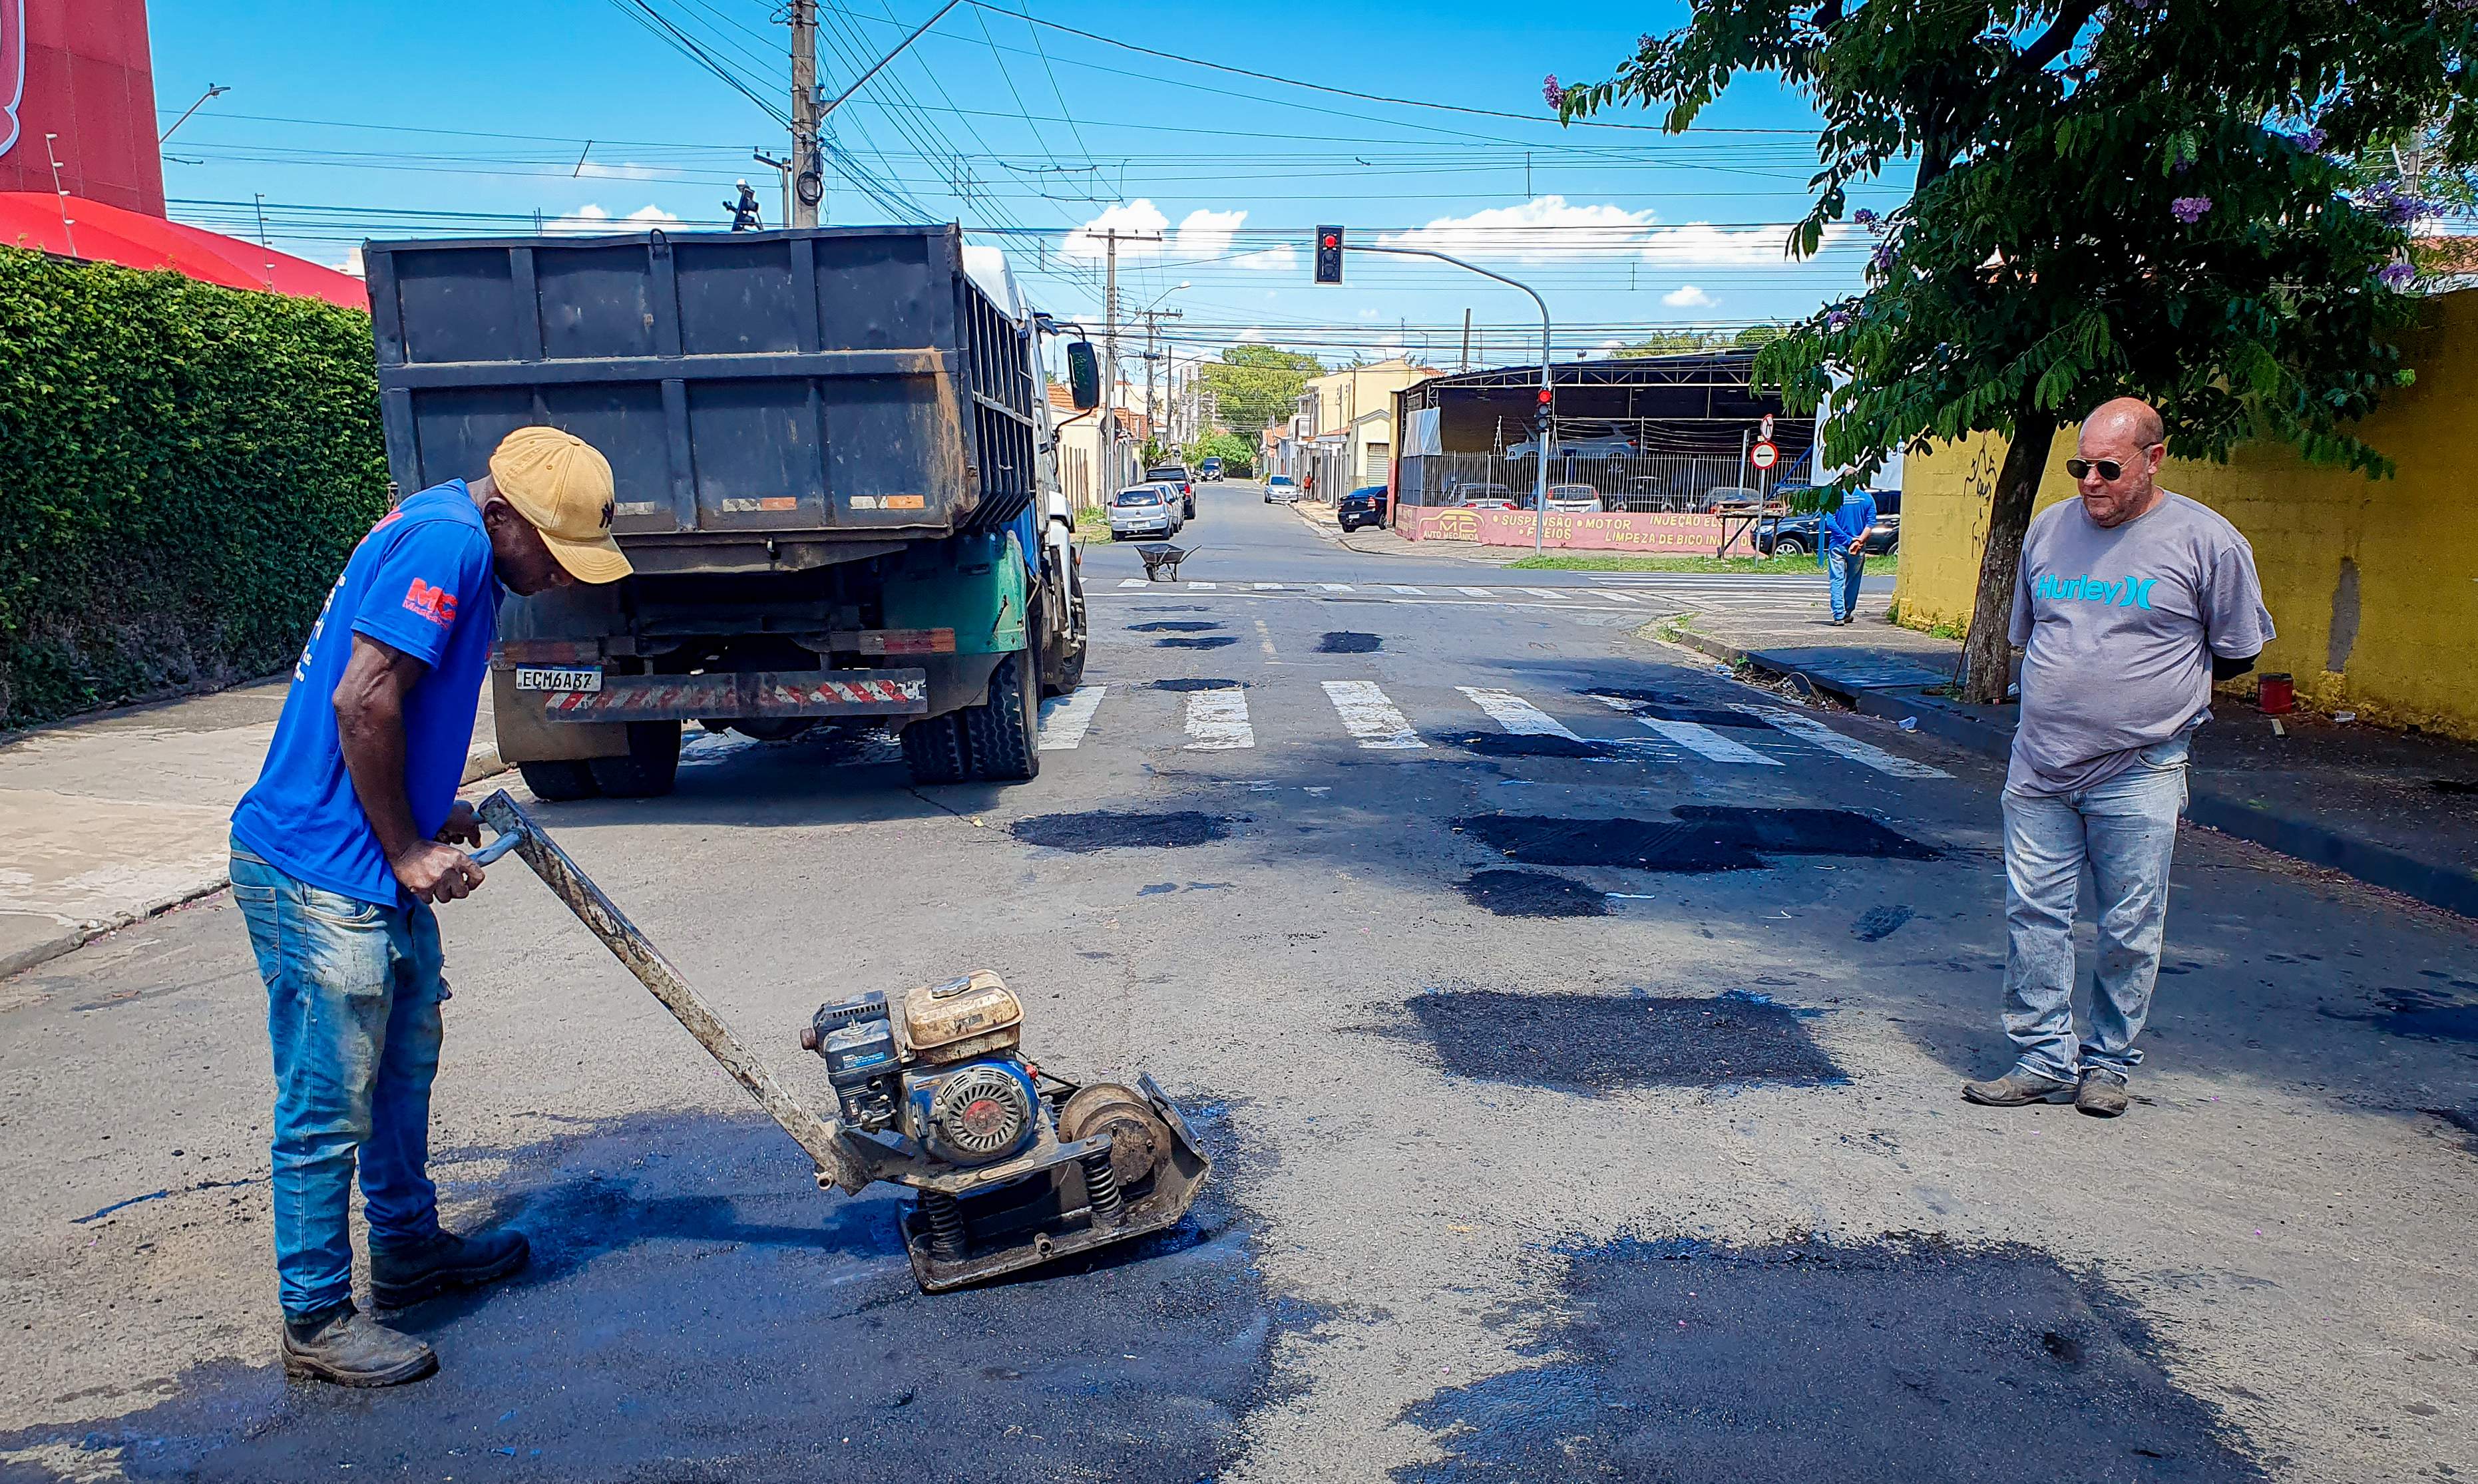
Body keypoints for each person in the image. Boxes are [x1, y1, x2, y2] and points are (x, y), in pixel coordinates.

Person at [228, 427, 633, 1386]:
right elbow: (361, 701)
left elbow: (387, 709)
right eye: (552, 551)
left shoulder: (452, 532)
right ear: (504, 516)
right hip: (318, 866)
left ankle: (408, 1251)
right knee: (328, 1101)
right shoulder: (447, 541)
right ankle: (316, 1318)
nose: (561, 577)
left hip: (363, 850)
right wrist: (406, 846)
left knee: (404, 1065)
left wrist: (421, 814)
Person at [1963, 398, 2272, 1119]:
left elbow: (2238, 651)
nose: (2091, 482)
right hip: (2040, 764)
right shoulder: (2047, 531)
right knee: (2034, 913)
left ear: (2155, 459)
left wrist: (2150, 701)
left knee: (2130, 922)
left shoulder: (2207, 542)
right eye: (2081, 467)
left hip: (2139, 770)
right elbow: (2034, 636)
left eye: (2109, 468)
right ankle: (2042, 1056)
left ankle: (2106, 1063)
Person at [1817, 485, 1878, 624]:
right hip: (1858, 546)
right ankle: (1848, 612)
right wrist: (1859, 540)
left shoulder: (1834, 499)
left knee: (1836, 579)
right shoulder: (1867, 498)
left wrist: (1847, 539)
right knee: (1853, 580)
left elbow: (1831, 523)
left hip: (1837, 545)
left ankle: (1838, 614)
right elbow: (1870, 523)